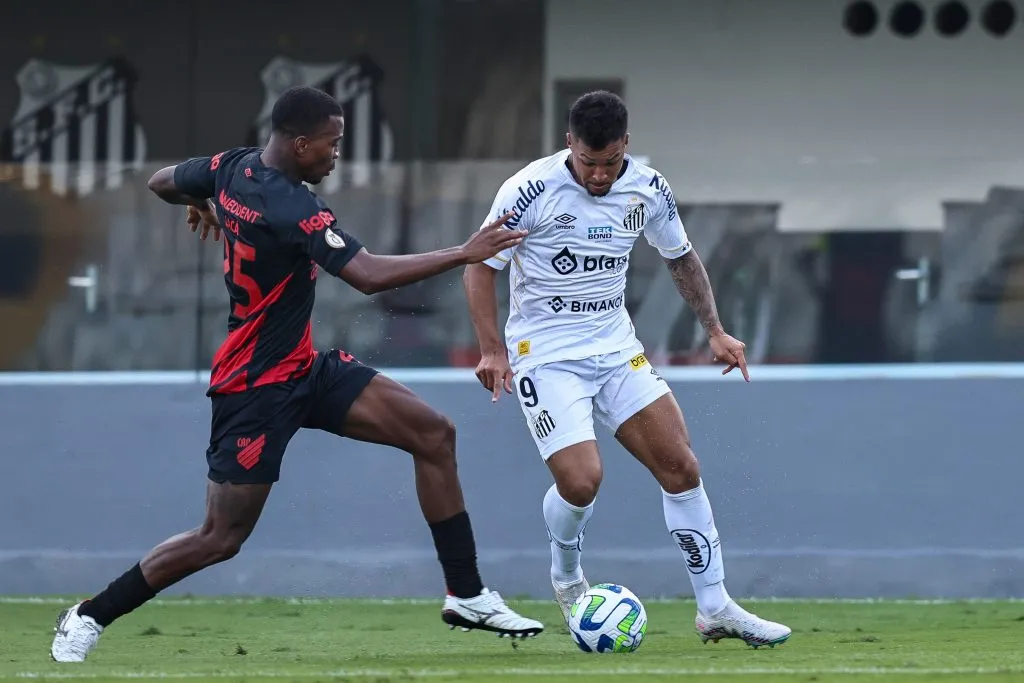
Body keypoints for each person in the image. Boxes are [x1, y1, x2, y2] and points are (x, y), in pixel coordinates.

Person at [50, 85, 543, 663]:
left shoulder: (230, 167)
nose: (338, 154)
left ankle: (467, 594)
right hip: (254, 385)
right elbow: (367, 275)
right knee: (220, 539)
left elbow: (162, 181)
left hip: (304, 368)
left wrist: (201, 202)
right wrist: (464, 252)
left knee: (433, 434)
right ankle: (88, 615)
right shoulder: (293, 206)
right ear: (300, 143)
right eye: (333, 144)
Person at [462, 91, 791, 648]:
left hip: (615, 348)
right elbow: (479, 265)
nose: (598, 175)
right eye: (589, 163)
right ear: (569, 144)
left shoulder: (647, 188)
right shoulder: (528, 190)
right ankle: (566, 576)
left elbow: (680, 256)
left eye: (610, 162)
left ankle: (716, 608)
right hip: (543, 354)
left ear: (626, 147)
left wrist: (714, 329)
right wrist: (491, 348)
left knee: (682, 467)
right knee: (582, 481)